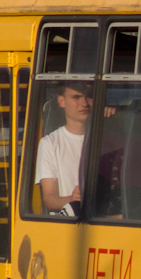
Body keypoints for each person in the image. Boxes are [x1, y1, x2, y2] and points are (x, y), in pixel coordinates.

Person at [35, 82, 92, 215]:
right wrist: (74, 198)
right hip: (67, 226)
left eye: (88, 96)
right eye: (76, 97)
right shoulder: (50, 143)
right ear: (62, 101)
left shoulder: (110, 138)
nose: (84, 103)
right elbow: (49, 200)